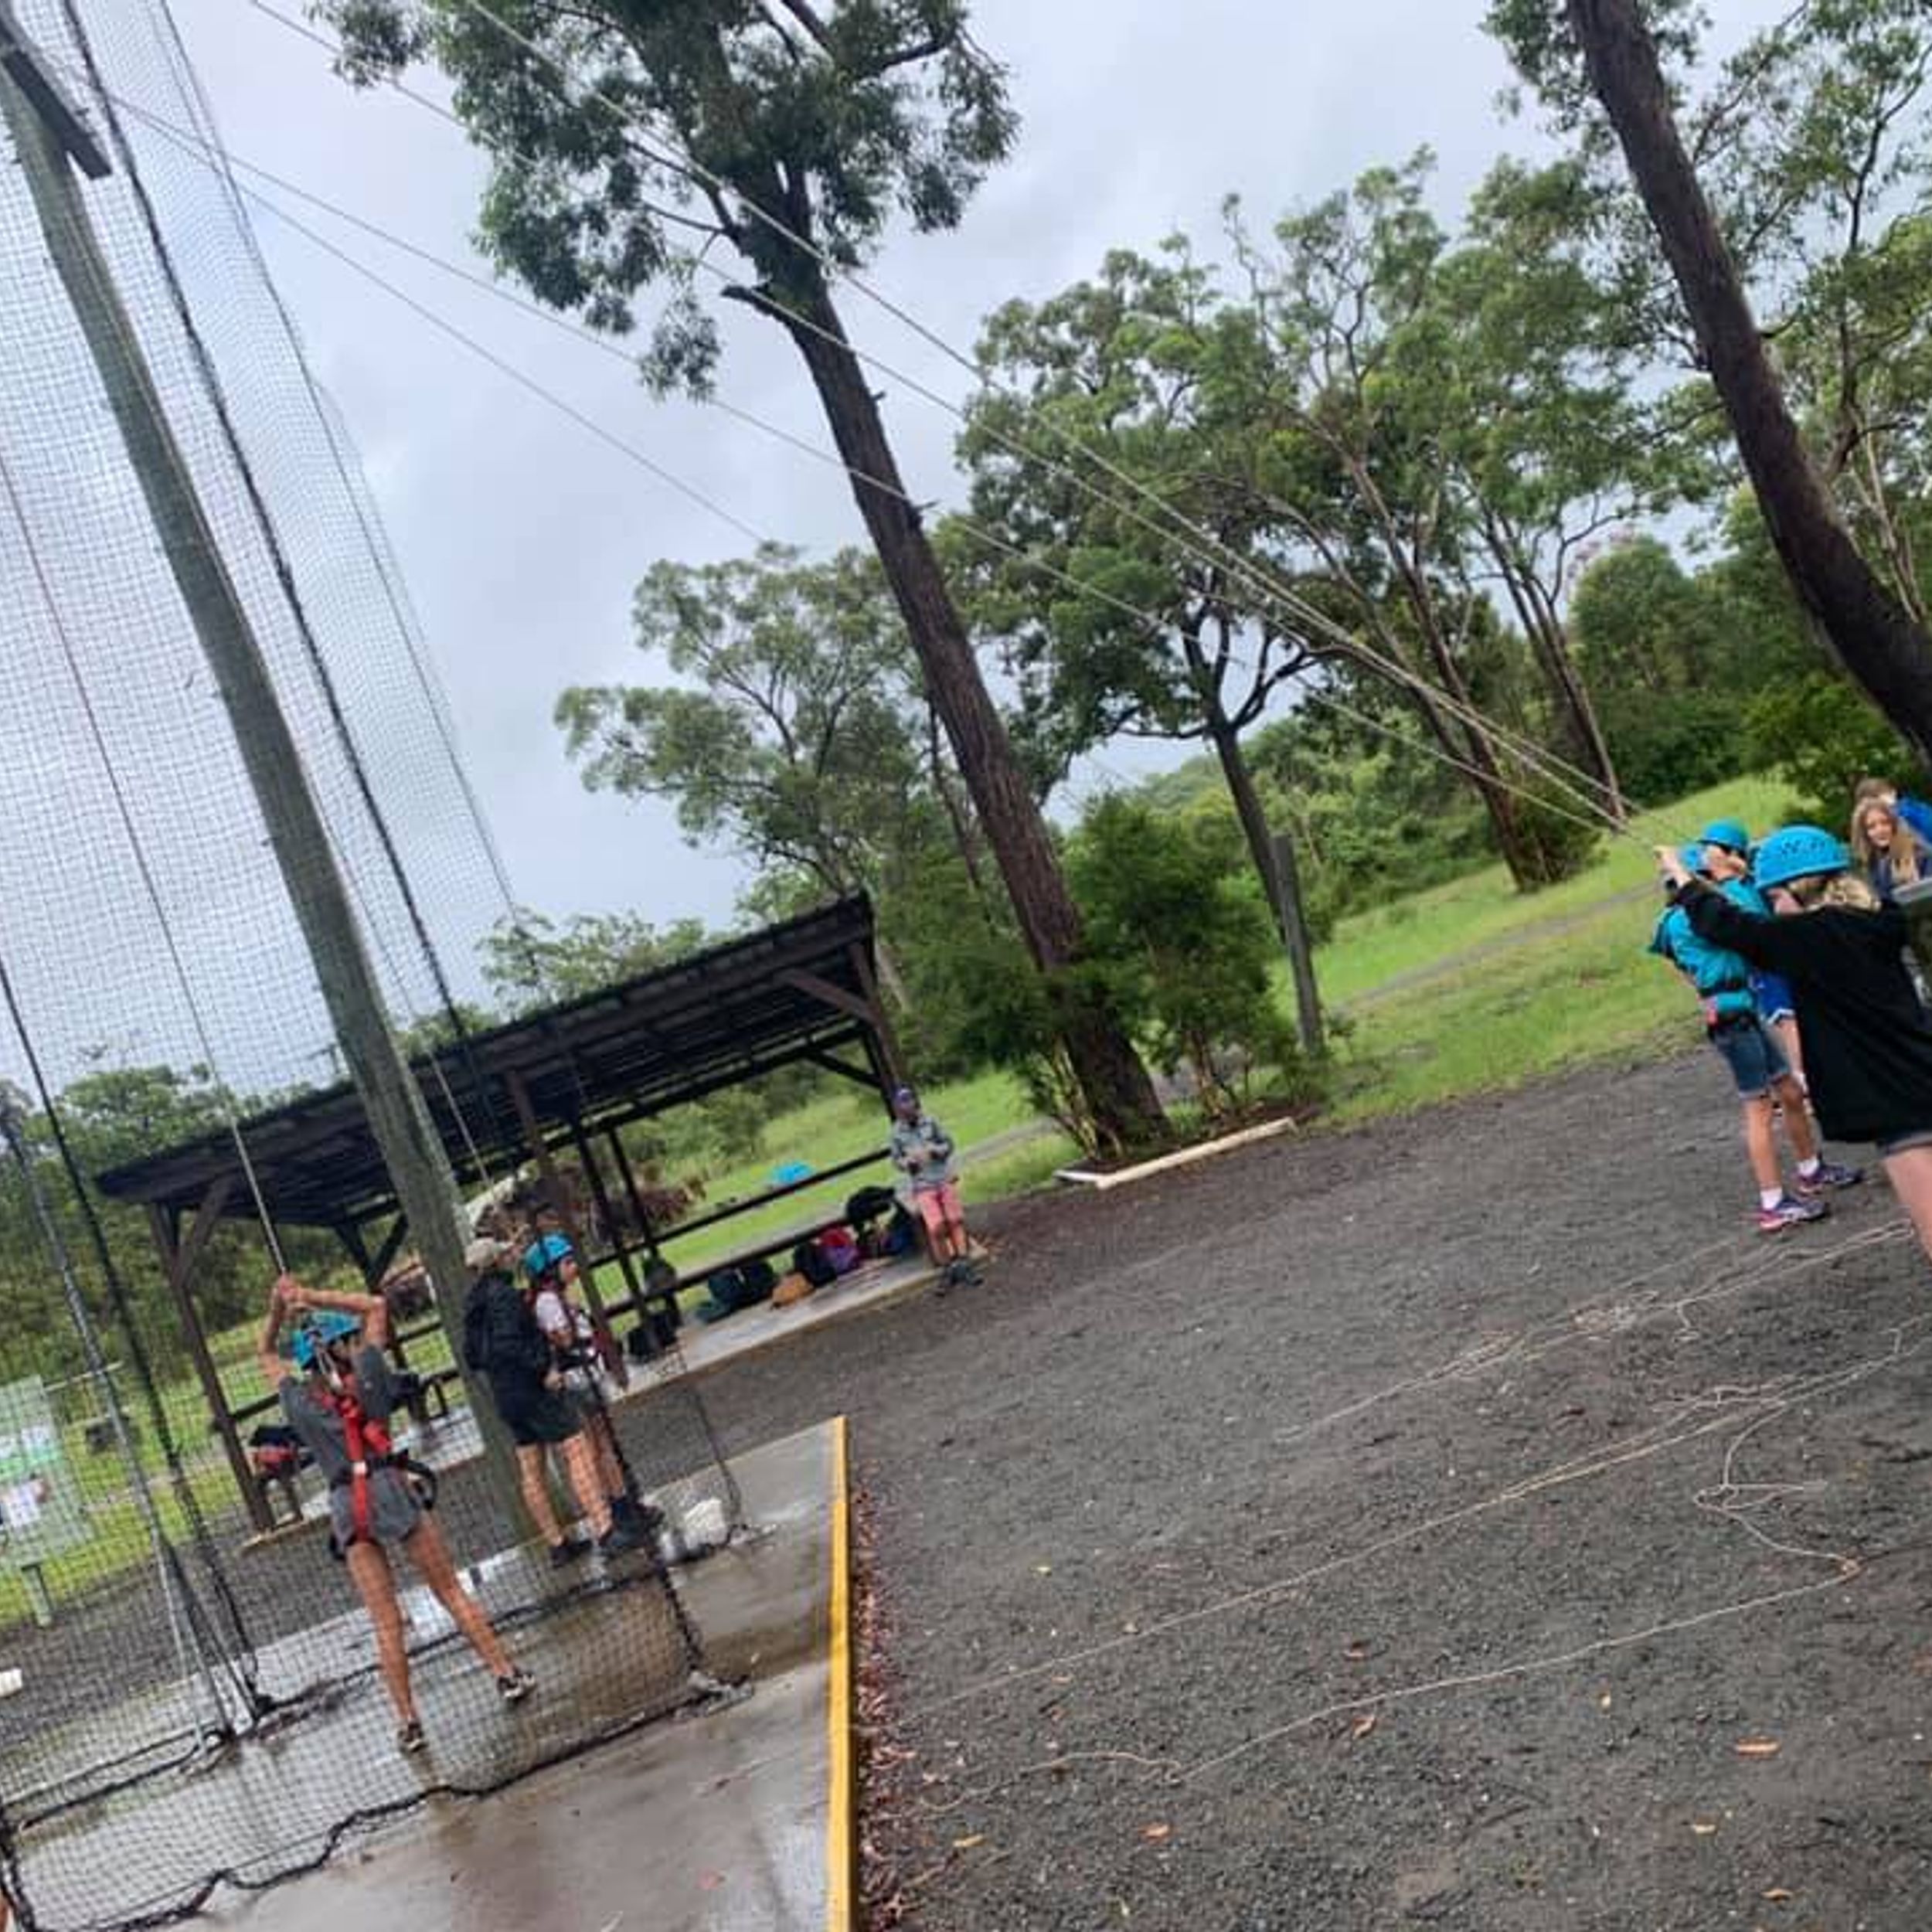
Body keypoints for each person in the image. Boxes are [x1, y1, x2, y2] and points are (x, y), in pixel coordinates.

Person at [257, 1274, 530, 1755]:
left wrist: (281, 1305)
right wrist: (312, 1296)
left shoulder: (300, 1402)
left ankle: (407, 1722)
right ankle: (504, 1673)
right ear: (343, 1346)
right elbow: (375, 1306)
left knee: (386, 1621)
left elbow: (264, 1351)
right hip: (389, 1486)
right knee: (449, 1590)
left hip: (348, 1504)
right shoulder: (369, 1373)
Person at [1659, 826, 1932, 1262]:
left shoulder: (1810, 938)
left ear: (1800, 889)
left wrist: (1680, 874)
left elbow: (1729, 925)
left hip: (1897, 1103)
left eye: (1776, 896)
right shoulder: (1876, 919)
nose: (1774, 907)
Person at [1648, 825, 1861, 1232]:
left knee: (1790, 1091)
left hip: (1739, 1010)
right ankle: (1772, 1201)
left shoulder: (1679, 919)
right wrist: (1734, 873)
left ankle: (1810, 1169)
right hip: (1733, 1018)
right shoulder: (1689, 917)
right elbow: (1749, 913)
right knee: (1759, 1109)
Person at [461, 1236, 646, 1567]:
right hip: (532, 1390)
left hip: (505, 1396)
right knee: (577, 1449)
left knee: (531, 1468)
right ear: (495, 1262)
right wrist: (542, 1367)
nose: (509, 1257)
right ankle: (605, 1530)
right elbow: (508, 1344)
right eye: (504, 1255)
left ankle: (557, 1544)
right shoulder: (505, 1296)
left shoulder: (472, 1306)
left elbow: (472, 1356)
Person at [522, 1236, 646, 1533]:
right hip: (579, 1378)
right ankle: (614, 1507)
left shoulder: (557, 1297)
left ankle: (620, 1502)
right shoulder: (548, 1301)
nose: (574, 1268)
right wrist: (573, 1312)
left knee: (602, 1443)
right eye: (567, 1263)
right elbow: (564, 1339)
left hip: (588, 1371)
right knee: (596, 1445)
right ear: (550, 1271)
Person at [1696, 818, 1808, 1090]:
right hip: (1764, 967)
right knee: (1785, 1018)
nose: (1704, 855)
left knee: (1787, 1020)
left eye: (1709, 849)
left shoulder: (1743, 887)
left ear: (1731, 853)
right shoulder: (1745, 883)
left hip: (1770, 966)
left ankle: (1804, 1078)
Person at [888, 1084, 979, 1286]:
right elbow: (896, 1161)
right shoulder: (896, 1133)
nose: (907, 1105)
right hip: (922, 1185)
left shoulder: (931, 1121)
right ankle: (947, 1268)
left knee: (955, 1221)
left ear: (915, 1101)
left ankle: (964, 1264)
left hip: (943, 1178)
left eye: (909, 1099)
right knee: (936, 1227)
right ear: (896, 1107)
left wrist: (937, 1150)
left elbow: (949, 1144)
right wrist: (907, 1163)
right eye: (902, 1101)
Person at [1849, 793, 1923, 903]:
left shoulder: (1919, 854)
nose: (1880, 830)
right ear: (1864, 833)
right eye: (1871, 827)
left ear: (1894, 824)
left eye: (1885, 823)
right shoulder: (1869, 863)